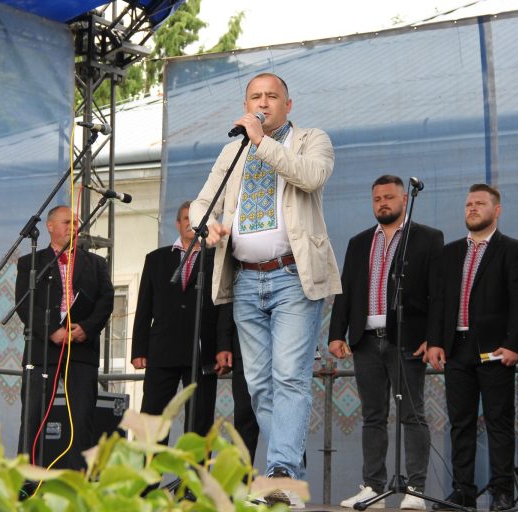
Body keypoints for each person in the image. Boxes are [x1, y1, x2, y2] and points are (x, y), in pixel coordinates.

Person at [190, 72, 341, 505]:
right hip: (244, 279)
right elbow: (203, 202)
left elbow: (311, 177)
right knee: (258, 384)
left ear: (287, 105)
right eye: (255, 96)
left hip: (292, 276)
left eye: (271, 96)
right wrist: (206, 225)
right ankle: (287, 478)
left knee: (289, 376)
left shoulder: (311, 140)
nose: (263, 102)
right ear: (246, 103)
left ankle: (280, 475)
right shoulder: (232, 150)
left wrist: (260, 141)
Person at [328, 175, 441, 510]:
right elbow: (346, 289)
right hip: (365, 340)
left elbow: (438, 294)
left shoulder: (427, 238)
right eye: (377, 199)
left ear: (404, 199)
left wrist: (433, 338)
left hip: (406, 339)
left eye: (389, 197)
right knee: (372, 416)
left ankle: (415, 489)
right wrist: (337, 333)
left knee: (412, 414)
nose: (383, 204)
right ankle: (373, 487)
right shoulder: (359, 242)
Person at [427, 184, 518, 511]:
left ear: (496, 210)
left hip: (494, 350)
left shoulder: (513, 249)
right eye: (468, 204)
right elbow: (439, 300)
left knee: (499, 422)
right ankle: (463, 492)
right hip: (456, 348)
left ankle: (502, 491)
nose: (472, 208)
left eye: (480, 203)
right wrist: (435, 342)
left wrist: (513, 343)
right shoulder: (450, 252)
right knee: (461, 424)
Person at [15, 205, 114, 470]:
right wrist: (51, 331)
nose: (72, 227)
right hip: (42, 349)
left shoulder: (96, 263)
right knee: (33, 417)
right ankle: (27, 480)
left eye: (75, 223)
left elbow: (106, 301)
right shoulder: (30, 263)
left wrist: (87, 328)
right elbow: (25, 304)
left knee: (81, 417)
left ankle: (76, 479)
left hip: (81, 349)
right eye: (66, 222)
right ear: (50, 226)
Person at [131, 201, 219, 440]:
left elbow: (224, 306)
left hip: (202, 350)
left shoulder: (216, 259)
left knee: (200, 421)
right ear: (178, 223)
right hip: (162, 349)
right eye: (186, 218)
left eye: (196, 219)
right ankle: (150, 465)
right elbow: (144, 307)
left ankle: (195, 466)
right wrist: (139, 349)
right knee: (153, 417)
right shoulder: (156, 259)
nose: (191, 223)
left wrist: (224, 347)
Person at [216, 303, 260, 462]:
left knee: (288, 419)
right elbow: (228, 297)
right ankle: (239, 477)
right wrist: (224, 344)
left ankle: (289, 477)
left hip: (284, 348)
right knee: (244, 421)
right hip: (245, 344)